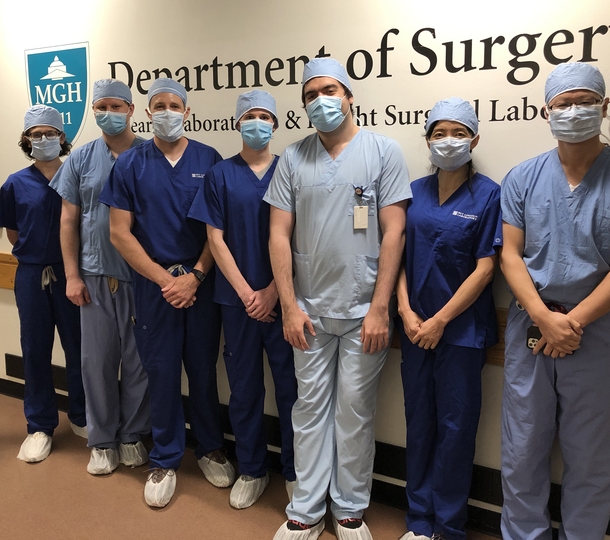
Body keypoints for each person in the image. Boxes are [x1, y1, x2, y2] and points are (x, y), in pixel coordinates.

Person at [499, 62, 610, 540]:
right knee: (522, 449)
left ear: (605, 107)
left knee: (592, 452)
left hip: (595, 331)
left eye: (584, 101)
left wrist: (570, 322)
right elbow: (510, 256)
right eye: (563, 103)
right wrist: (543, 316)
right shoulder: (523, 178)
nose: (574, 111)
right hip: (530, 325)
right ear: (546, 111)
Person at [265, 58, 411, 540]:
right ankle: (304, 510)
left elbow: (394, 233)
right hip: (307, 310)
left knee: (355, 411)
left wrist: (379, 307)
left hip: (362, 311)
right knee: (308, 410)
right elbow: (279, 235)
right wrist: (288, 305)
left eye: (329, 90)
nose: (320, 101)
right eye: (310, 95)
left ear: (349, 95)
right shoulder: (293, 157)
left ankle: (349, 509)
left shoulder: (383, 152)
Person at [101, 77, 234, 508]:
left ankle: (210, 447)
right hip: (153, 285)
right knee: (159, 372)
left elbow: (217, 231)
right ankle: (165, 457)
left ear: (188, 112)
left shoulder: (208, 159)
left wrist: (193, 276)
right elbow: (120, 234)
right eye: (158, 105)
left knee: (201, 369)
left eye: (175, 105)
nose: (167, 112)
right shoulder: (130, 164)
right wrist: (165, 279)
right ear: (146, 112)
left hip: (200, 281)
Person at [395, 98, 502, 540]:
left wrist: (439, 319)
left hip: (459, 332)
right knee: (419, 424)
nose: (448, 141)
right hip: (413, 328)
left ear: (474, 139)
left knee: (455, 431)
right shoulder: (413, 192)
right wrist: (403, 309)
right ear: (427, 140)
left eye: (458, 133)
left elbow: (486, 267)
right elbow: (396, 256)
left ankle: (448, 526)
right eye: (439, 133)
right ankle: (419, 522)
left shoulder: (489, 194)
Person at [188, 90, 297, 509]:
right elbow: (214, 238)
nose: (257, 122)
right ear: (237, 123)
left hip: (283, 299)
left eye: (264, 116)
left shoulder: (291, 170)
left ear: (276, 123)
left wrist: (273, 291)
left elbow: (301, 236)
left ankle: (293, 472)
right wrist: (247, 292)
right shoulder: (220, 175)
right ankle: (252, 469)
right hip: (237, 303)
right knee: (245, 389)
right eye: (249, 116)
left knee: (291, 391)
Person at [49, 79, 151, 475]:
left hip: (141, 276)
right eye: (100, 106)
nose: (107, 113)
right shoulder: (81, 159)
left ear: (130, 109)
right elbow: (69, 220)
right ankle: (103, 440)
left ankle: (131, 435)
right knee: (97, 361)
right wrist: (72, 275)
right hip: (93, 276)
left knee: (139, 361)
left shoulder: (150, 154)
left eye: (115, 106)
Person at [0, 105, 86, 463]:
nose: (43, 139)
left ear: (62, 138)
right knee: (35, 350)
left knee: (79, 348)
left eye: (50, 133)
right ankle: (40, 426)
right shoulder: (16, 183)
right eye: (36, 134)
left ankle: (82, 415)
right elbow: (13, 231)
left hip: (72, 272)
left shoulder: (75, 176)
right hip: (32, 274)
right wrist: (35, 254)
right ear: (26, 140)